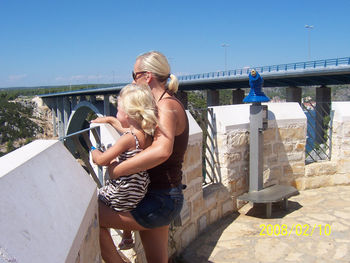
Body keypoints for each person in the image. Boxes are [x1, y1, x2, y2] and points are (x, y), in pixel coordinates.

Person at [95, 51, 189, 263]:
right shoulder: (161, 105)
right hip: (162, 196)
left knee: (92, 217)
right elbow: (141, 135)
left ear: (147, 77)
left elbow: (162, 150)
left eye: (134, 74)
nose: (132, 80)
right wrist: (112, 120)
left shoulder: (166, 106)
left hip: (160, 198)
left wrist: (118, 170)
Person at [91, 83, 158, 252]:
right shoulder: (146, 135)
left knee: (93, 206)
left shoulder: (128, 138)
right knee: (126, 202)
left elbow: (102, 160)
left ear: (128, 114)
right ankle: (127, 237)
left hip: (122, 192)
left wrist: (94, 151)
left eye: (118, 109)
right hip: (138, 192)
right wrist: (109, 120)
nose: (116, 112)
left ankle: (113, 253)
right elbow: (122, 126)